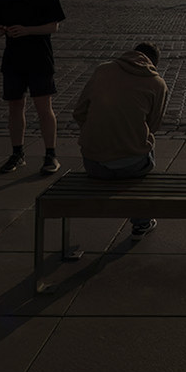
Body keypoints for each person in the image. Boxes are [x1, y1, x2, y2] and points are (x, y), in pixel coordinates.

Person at [73, 43, 168, 237]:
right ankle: (141, 221)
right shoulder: (157, 83)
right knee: (146, 146)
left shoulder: (103, 71)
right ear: (154, 63)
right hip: (132, 165)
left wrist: (99, 133)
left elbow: (79, 112)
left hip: (94, 163)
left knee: (131, 146)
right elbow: (154, 126)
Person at [0, 0, 66, 175]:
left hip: (40, 58)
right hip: (13, 59)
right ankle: (17, 153)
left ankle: (51, 154)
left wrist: (27, 30)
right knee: (14, 107)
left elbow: (54, 27)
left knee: (43, 107)